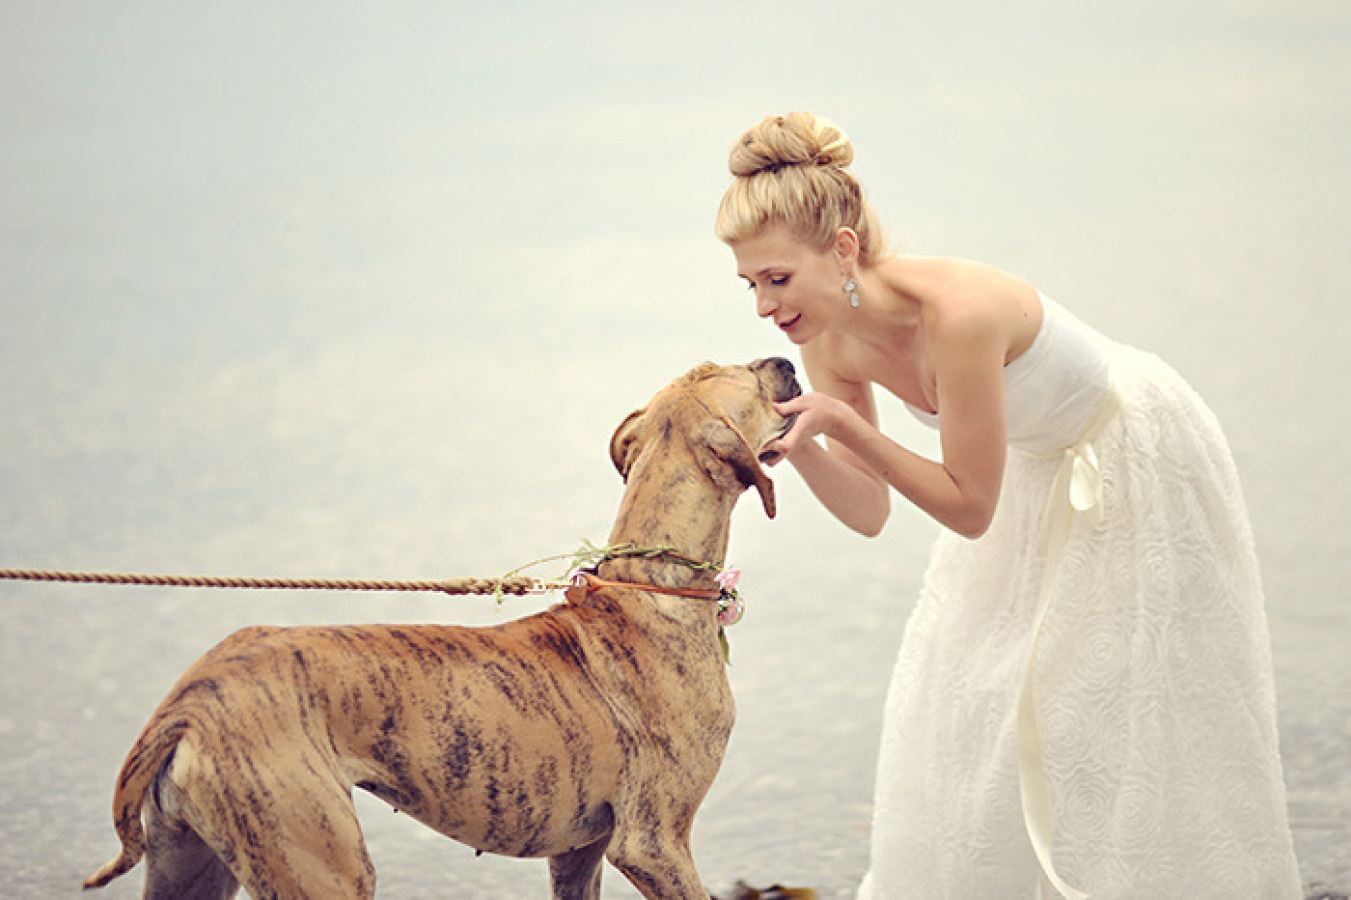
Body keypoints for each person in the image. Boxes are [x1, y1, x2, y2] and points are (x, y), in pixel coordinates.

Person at [715, 111, 1303, 899]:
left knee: (1111, 702)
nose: (763, 307)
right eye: (750, 284)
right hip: (1023, 470)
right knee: (970, 697)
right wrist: (808, 447)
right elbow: (870, 512)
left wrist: (846, 421)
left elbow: (966, 510)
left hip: (1129, 450)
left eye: (777, 279)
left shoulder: (959, 314)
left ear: (843, 248)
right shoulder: (828, 338)